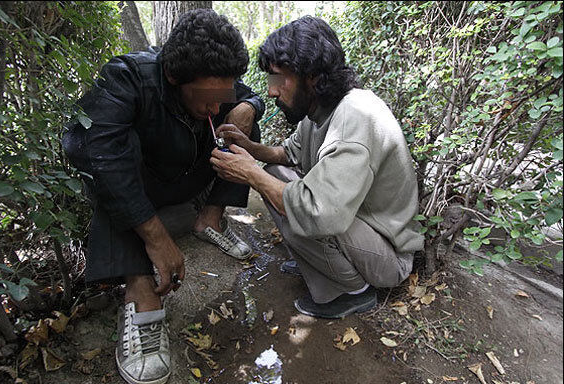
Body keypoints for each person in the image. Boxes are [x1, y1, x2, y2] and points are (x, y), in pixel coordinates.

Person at [61, 9, 264, 384]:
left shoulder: (218, 83)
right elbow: (88, 146)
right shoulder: (127, 78)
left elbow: (247, 99)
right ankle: (142, 293)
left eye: (223, 96)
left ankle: (210, 219)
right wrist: (156, 237)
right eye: (209, 98)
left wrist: (246, 107)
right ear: (174, 76)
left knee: (243, 124)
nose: (215, 108)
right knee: (109, 160)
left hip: (191, 178)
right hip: (147, 187)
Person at [210, 16, 424, 320]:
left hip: (387, 255)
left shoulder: (356, 117)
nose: (271, 92)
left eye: (278, 79)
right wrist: (250, 147)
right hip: (357, 226)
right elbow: (288, 153)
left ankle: (353, 292)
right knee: (273, 174)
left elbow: (317, 212)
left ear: (310, 75)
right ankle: (323, 263)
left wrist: (249, 173)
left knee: (298, 215)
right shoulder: (319, 110)